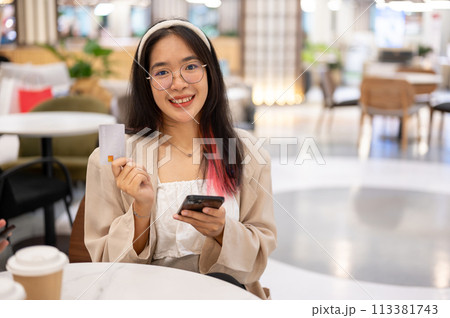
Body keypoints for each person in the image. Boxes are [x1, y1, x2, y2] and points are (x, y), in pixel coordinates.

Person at [84, 19, 276, 299]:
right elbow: (105, 267)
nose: (178, 83)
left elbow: (258, 257)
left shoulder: (247, 151)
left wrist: (223, 232)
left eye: (190, 67)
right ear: (145, 82)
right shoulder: (113, 154)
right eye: (162, 72)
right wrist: (141, 210)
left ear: (210, 71)